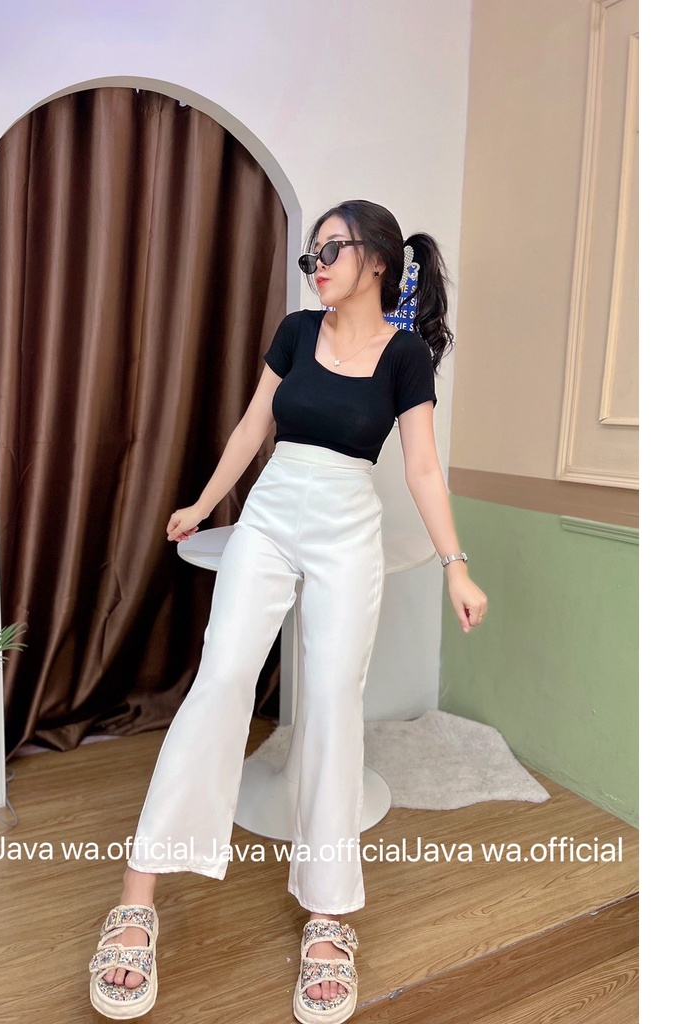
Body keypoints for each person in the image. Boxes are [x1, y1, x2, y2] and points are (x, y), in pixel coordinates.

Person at [87, 199, 488, 1023]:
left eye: (330, 250)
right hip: (269, 518)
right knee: (222, 679)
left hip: (347, 528)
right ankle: (137, 897)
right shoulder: (297, 332)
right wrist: (203, 504)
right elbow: (251, 428)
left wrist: (457, 565)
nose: (316, 266)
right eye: (311, 255)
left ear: (377, 259)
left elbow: (421, 469)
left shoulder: (405, 356)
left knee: (335, 701)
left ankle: (328, 916)